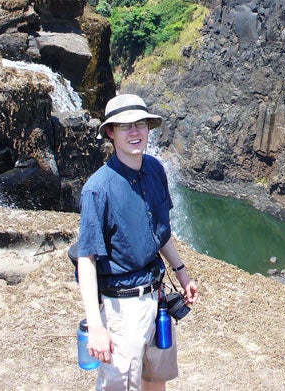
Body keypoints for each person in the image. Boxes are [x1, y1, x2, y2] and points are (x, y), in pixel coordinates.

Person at [76, 94, 199, 391]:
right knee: (120, 385)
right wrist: (96, 326)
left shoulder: (155, 170)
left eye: (140, 124)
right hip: (122, 310)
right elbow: (86, 259)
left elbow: (160, 232)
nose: (135, 133)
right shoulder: (97, 189)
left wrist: (182, 274)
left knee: (155, 379)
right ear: (110, 132)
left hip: (156, 299)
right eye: (124, 127)